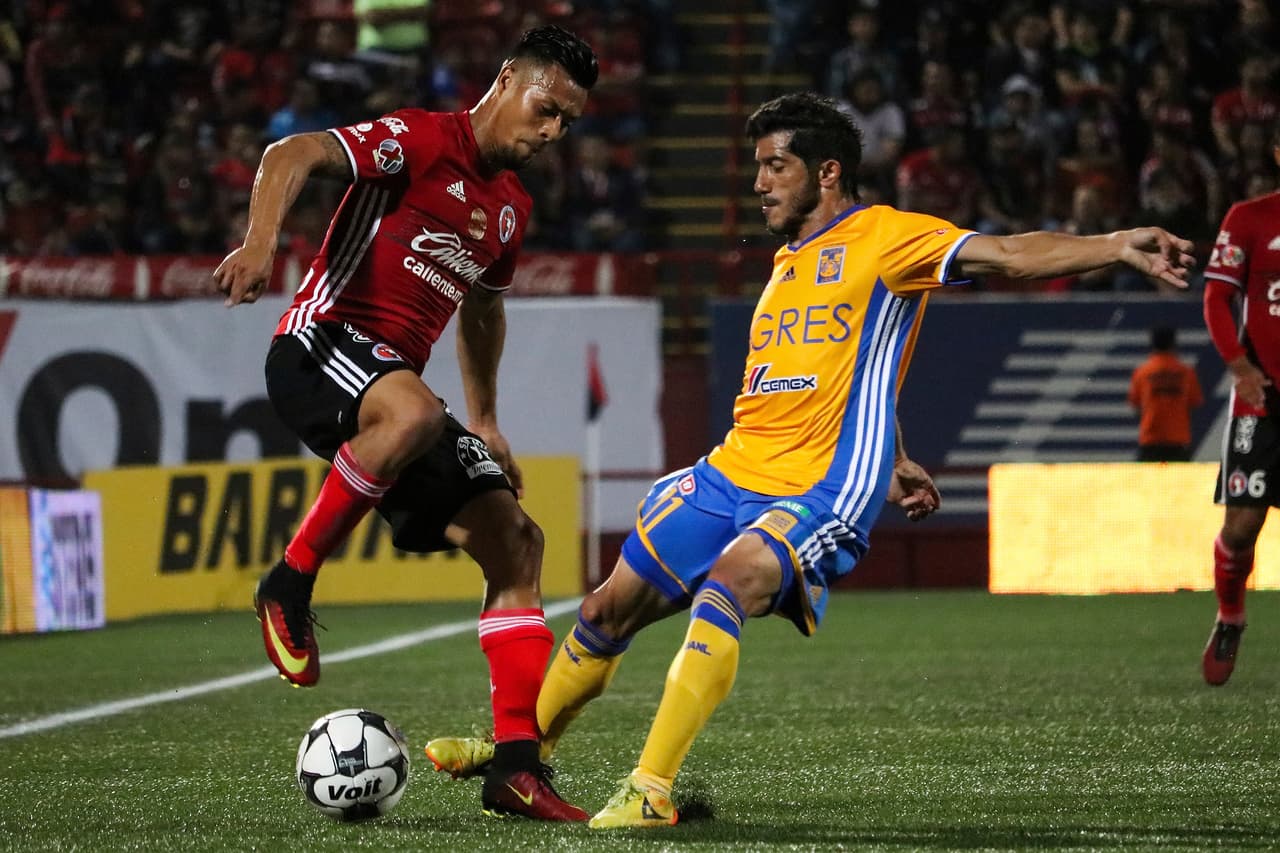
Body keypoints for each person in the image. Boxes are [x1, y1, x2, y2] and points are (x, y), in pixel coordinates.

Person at [424, 92, 1195, 829]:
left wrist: (1116, 243)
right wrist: (894, 451)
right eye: (757, 167)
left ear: (827, 172)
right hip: (734, 468)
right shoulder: (789, 261)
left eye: (775, 166)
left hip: (819, 485)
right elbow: (845, 373)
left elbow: (1009, 253)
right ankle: (522, 756)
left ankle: (652, 787)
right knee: (604, 610)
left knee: (727, 584)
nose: (758, 183)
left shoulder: (889, 237)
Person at [212, 25, 598, 822]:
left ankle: (516, 768)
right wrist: (259, 241)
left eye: (568, 122)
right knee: (415, 410)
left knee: (516, 538)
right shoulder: (423, 139)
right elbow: (291, 154)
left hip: (396, 393)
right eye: (547, 107)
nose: (553, 131)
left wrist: (486, 419)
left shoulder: (510, 209)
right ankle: (289, 580)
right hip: (317, 346)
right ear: (506, 80)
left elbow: (483, 310)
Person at [1199, 120, 1280, 687]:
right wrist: (1240, 366)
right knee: (1242, 525)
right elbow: (1216, 298)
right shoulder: (1248, 218)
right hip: (1263, 398)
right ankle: (1230, 617)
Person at [1128, 326, 1203, 461]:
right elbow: (1194, 402)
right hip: (1178, 440)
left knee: (1148, 482)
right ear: (1173, 344)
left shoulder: (1142, 372)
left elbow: (1135, 404)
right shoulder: (1186, 372)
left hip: (1150, 440)